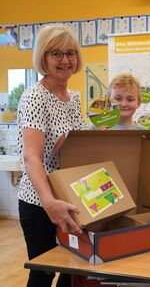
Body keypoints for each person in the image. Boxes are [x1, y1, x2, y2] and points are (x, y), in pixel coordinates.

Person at [17, 24, 87, 287]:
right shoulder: (35, 97)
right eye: (56, 53)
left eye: (70, 53)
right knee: (44, 272)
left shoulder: (74, 98)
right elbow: (32, 157)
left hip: (70, 197)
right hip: (40, 202)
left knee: (72, 267)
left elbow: (77, 148)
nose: (65, 60)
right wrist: (49, 203)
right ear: (43, 58)